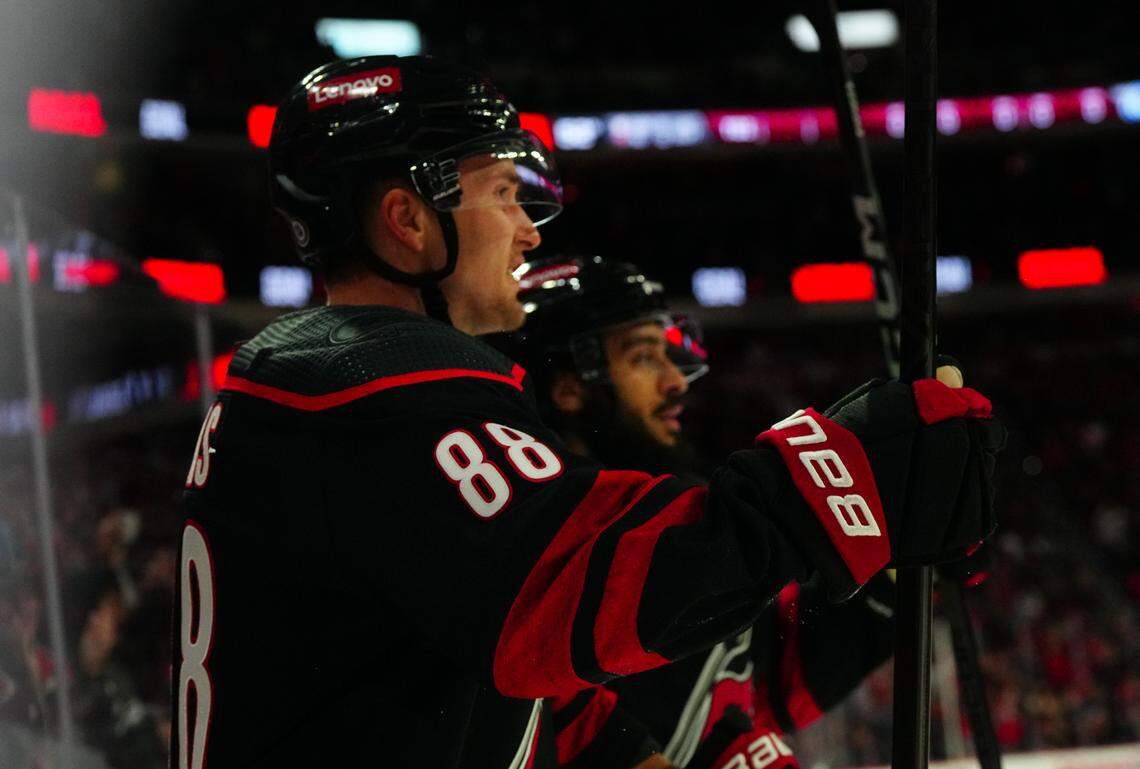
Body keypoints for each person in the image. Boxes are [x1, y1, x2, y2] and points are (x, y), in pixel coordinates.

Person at [170, 55, 1004, 769]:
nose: (530, 234)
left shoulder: (310, 381)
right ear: (408, 221)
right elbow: (567, 589)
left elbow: (539, 703)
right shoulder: (374, 381)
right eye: (504, 192)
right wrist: (848, 471)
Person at [496, 255, 912, 768]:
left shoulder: (666, 520)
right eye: (645, 357)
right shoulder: (567, 554)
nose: (677, 381)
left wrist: (901, 565)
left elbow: (768, 683)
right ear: (567, 388)